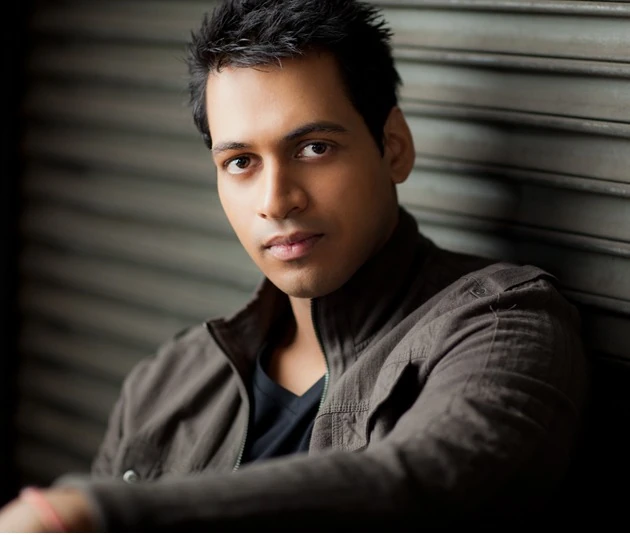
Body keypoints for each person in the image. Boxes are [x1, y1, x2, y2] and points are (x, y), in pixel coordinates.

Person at [0, 0, 588, 531]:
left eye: (314, 148)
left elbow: (430, 482)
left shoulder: (501, 319)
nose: (277, 201)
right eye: (240, 161)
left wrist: (97, 513)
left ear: (393, 147)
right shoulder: (167, 382)